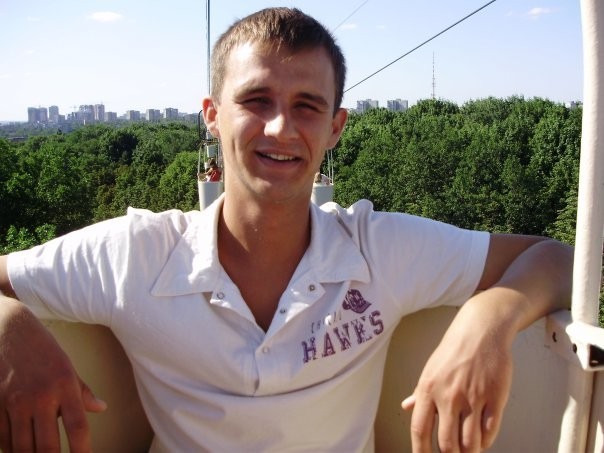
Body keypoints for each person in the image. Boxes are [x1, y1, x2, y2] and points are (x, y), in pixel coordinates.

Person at [0, 7, 572, 453]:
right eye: (256, 100)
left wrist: (487, 321)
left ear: (335, 127)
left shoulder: (378, 249)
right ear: (212, 115)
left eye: (307, 106)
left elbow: (561, 259)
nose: (280, 127)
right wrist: (11, 326)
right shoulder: (138, 254)